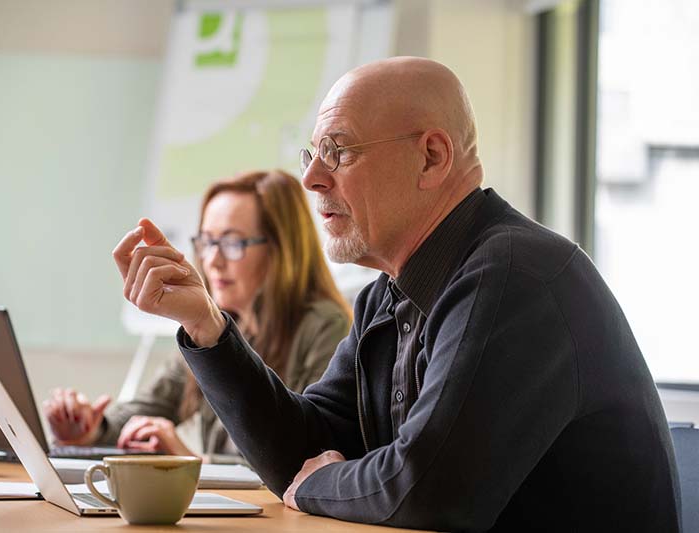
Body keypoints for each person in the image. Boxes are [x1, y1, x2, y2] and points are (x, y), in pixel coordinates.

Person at [112, 57, 680, 531]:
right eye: (311, 155)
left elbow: (428, 489)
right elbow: (300, 450)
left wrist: (317, 485)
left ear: (432, 157)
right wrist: (208, 326)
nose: (311, 179)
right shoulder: (386, 295)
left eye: (338, 151)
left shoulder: (514, 275)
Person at [44, 170, 351, 463]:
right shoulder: (215, 325)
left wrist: (193, 462)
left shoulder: (325, 326)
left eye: (232, 243)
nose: (213, 260)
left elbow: (312, 457)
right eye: (206, 242)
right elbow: (151, 405)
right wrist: (92, 427)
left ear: (283, 250)